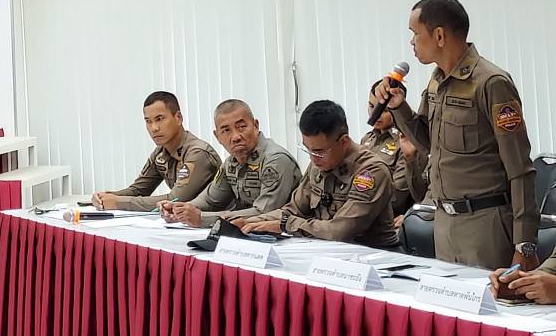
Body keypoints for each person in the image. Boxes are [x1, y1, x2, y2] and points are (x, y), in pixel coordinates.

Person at [375, 0, 538, 271]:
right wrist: (399, 107)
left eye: (415, 33)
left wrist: (524, 244)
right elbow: (427, 142)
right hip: (444, 222)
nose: (411, 42)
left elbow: (520, 168)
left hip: (484, 225)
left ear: (439, 35)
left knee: (490, 298)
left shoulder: (490, 83)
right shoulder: (437, 81)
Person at [240, 100, 397, 247]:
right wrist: (249, 222)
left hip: (374, 255)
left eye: (319, 151)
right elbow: (293, 210)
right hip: (327, 251)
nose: (313, 158)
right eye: (307, 149)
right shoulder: (320, 163)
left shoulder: (371, 172)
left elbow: (340, 231)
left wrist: (286, 225)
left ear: (344, 142)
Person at [168, 98, 302, 228]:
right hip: (249, 232)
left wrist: (202, 218)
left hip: (288, 233)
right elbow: (210, 200)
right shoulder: (230, 163)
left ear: (256, 126)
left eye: (241, 127)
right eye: (226, 130)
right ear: (217, 136)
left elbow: (265, 212)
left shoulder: (276, 160)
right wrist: (180, 209)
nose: (236, 137)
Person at [91, 91, 221, 211]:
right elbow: (139, 190)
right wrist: (105, 197)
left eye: (159, 119)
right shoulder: (160, 152)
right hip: (185, 221)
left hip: (215, 221)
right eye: (148, 121)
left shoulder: (198, 153)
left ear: (178, 118)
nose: (154, 128)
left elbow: (176, 200)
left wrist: (118, 202)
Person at [361, 86, 428, 217]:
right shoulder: (367, 139)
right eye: (371, 106)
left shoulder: (408, 141)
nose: (375, 113)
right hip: (363, 209)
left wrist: (360, 205)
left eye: (384, 110)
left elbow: (397, 195)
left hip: (390, 216)